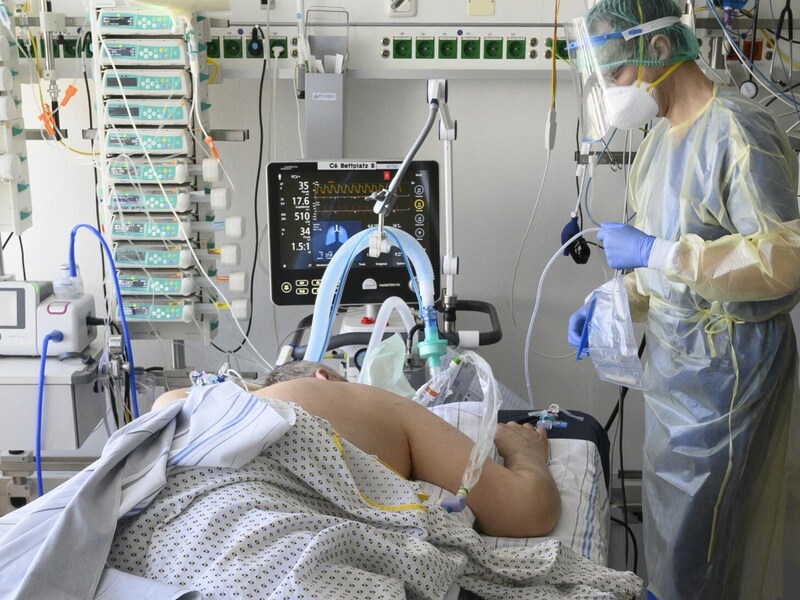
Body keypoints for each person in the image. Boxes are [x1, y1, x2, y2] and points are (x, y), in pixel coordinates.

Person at [566, 1, 800, 598]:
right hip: (678, 374)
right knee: (674, 531)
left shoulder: (739, 131)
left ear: (661, 49)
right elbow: (656, 268)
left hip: (730, 370)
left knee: (706, 542)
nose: (613, 90)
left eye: (616, 73)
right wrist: (614, 299)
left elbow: (784, 258)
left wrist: (660, 254)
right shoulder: (657, 145)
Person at [153, 361, 561, 538]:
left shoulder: (180, 403)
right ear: (325, 375)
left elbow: (155, 426)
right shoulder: (364, 400)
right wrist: (525, 452)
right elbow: (528, 510)